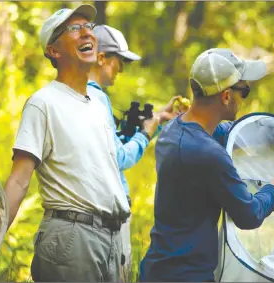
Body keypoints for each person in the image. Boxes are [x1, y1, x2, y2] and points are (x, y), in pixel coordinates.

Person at [0, 5, 130, 282]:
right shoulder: (43, 103)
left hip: (112, 238)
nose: (86, 33)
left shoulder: (97, 106)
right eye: (74, 29)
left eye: (88, 27)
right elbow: (19, 181)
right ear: (54, 51)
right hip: (72, 238)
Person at [139, 48, 274, 282]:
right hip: (186, 276)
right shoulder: (207, 153)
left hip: (159, 270)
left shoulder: (175, 130)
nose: (244, 98)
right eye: (244, 91)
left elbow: (240, 133)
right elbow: (248, 215)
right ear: (226, 96)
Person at [86, 24, 185, 281]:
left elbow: (104, 149)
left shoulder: (81, 95)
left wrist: (158, 119)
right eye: (120, 62)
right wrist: (145, 134)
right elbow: (119, 158)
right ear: (101, 58)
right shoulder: (96, 99)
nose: (122, 69)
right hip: (105, 219)